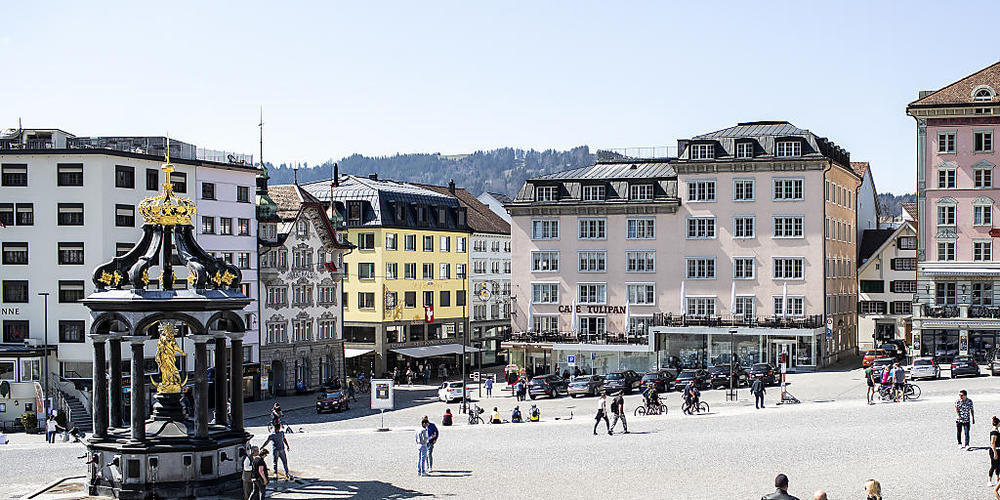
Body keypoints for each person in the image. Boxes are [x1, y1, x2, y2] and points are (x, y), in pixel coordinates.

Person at [990, 417, 1000, 485]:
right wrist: (995, 453)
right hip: (995, 450)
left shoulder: (996, 431)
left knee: (998, 466)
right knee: (993, 465)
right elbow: (993, 443)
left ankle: (997, 479)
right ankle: (990, 480)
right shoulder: (994, 432)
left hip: (998, 449)